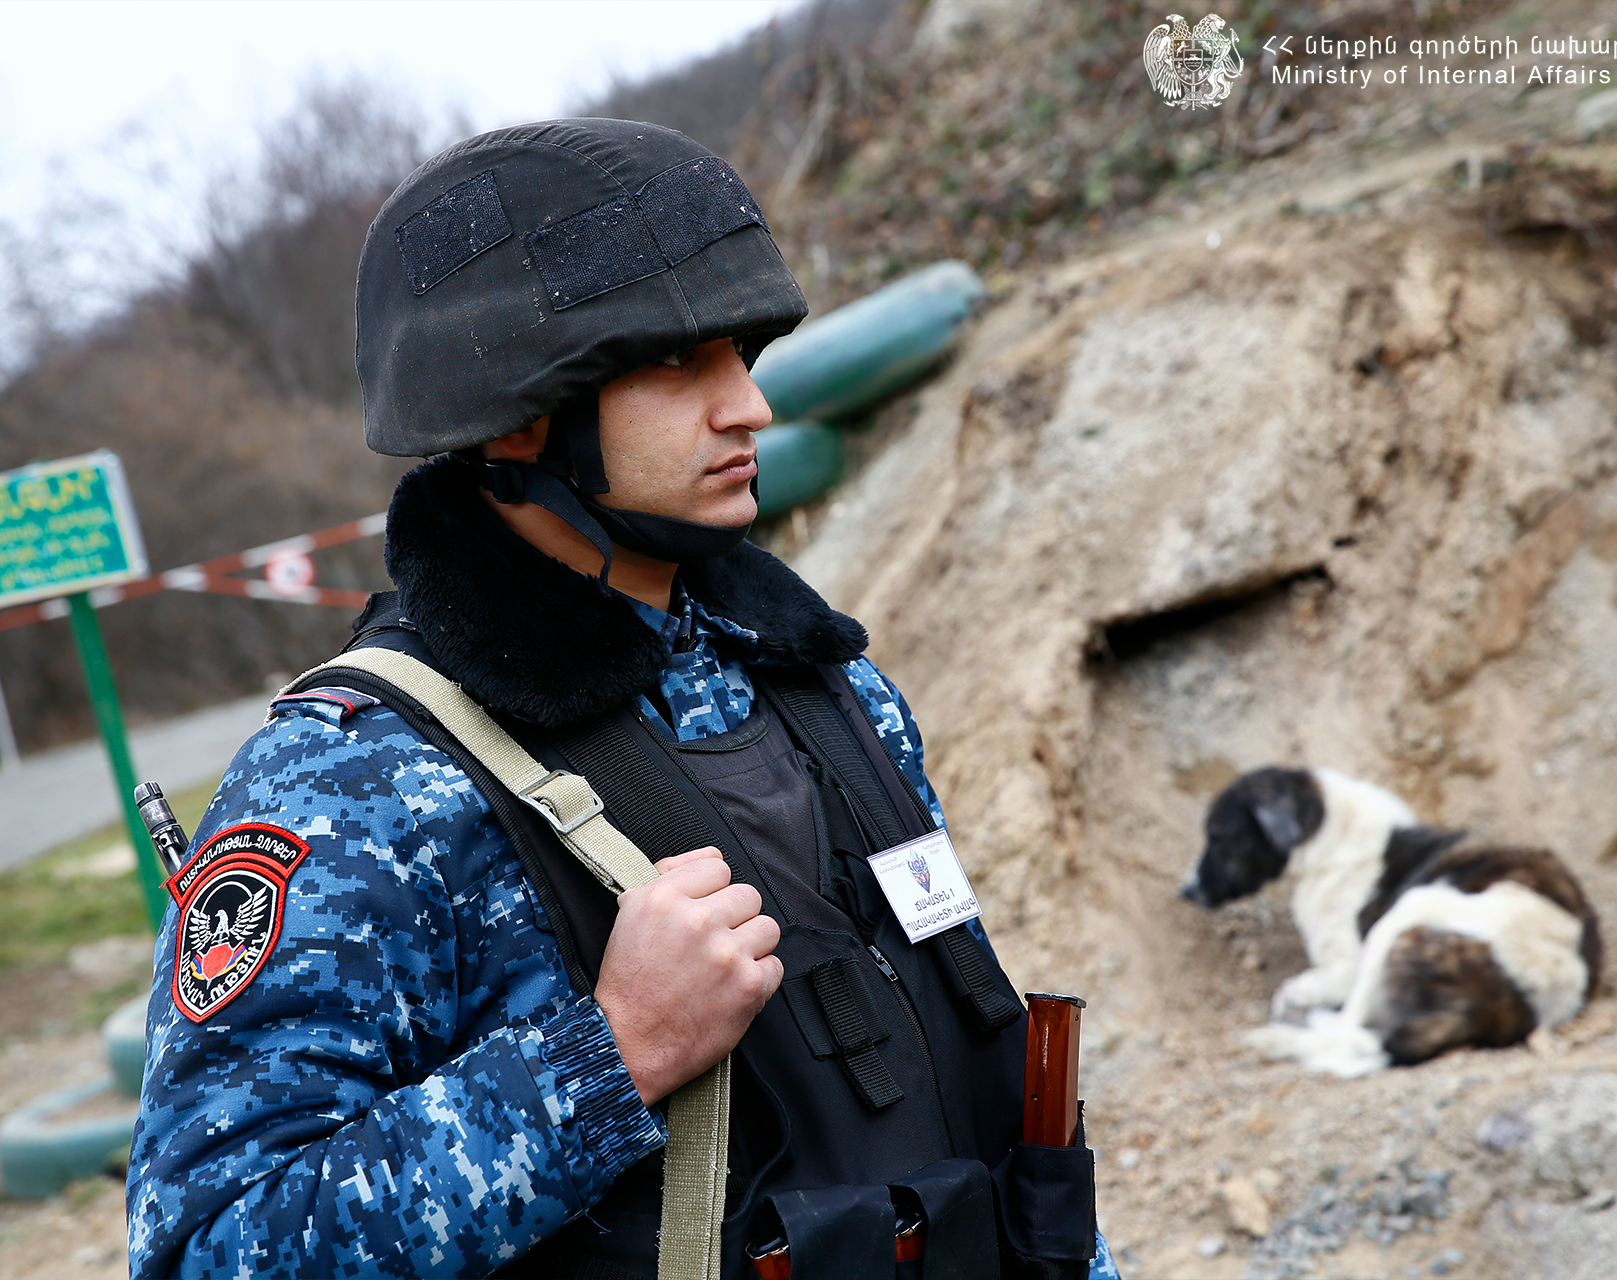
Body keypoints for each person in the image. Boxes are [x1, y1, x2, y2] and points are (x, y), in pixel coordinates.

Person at [127, 119, 1120, 1279]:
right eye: (679, 362)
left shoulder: (825, 680)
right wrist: (610, 1054)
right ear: (518, 414)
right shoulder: (358, 778)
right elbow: (207, 1247)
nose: (747, 406)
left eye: (742, 354)